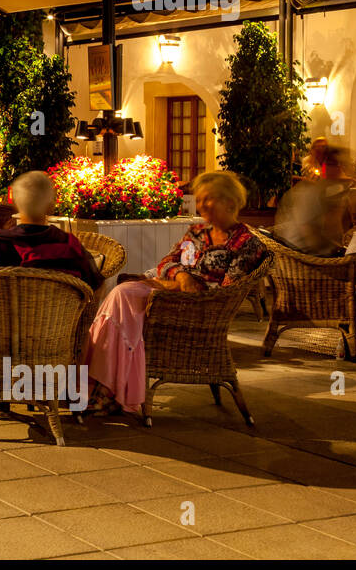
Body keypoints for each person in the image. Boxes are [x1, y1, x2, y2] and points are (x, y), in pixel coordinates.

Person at [82, 170, 266, 414]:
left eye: (208, 198)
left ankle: (104, 388)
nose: (200, 205)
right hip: (168, 291)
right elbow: (169, 262)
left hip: (193, 307)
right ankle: (105, 388)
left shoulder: (247, 243)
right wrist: (181, 276)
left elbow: (227, 291)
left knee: (122, 296)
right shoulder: (198, 232)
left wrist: (185, 286)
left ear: (230, 201)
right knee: (121, 297)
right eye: (198, 199)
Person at [274, 179, 356, 362]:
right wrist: (341, 217)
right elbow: (315, 241)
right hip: (314, 271)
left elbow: (328, 240)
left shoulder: (312, 193)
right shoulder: (310, 196)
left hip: (315, 263)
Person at [0, 171, 105, 290]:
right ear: (51, 206)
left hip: (3, 315)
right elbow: (94, 286)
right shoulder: (69, 245)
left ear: (16, 203)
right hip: (60, 315)